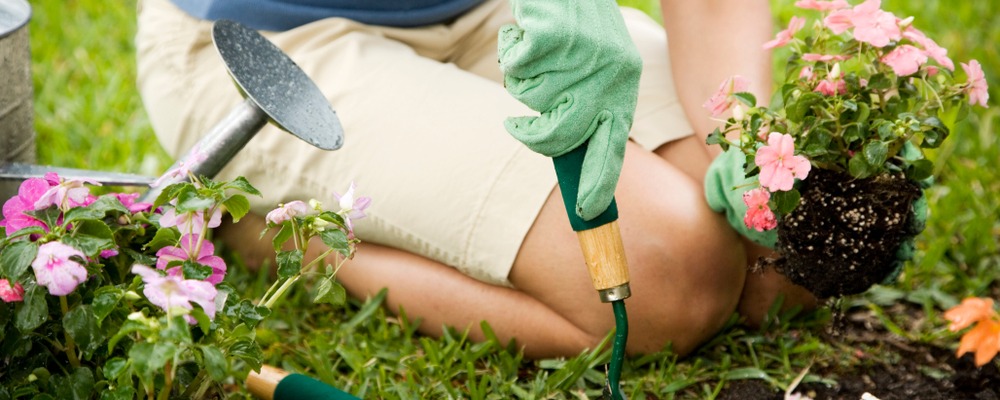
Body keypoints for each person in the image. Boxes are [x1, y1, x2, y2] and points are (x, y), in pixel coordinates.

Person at [135, 0, 816, 360]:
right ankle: (281, 237)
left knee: (781, 265)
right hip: (272, 39)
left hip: (494, 11)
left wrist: (746, 145)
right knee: (664, 285)